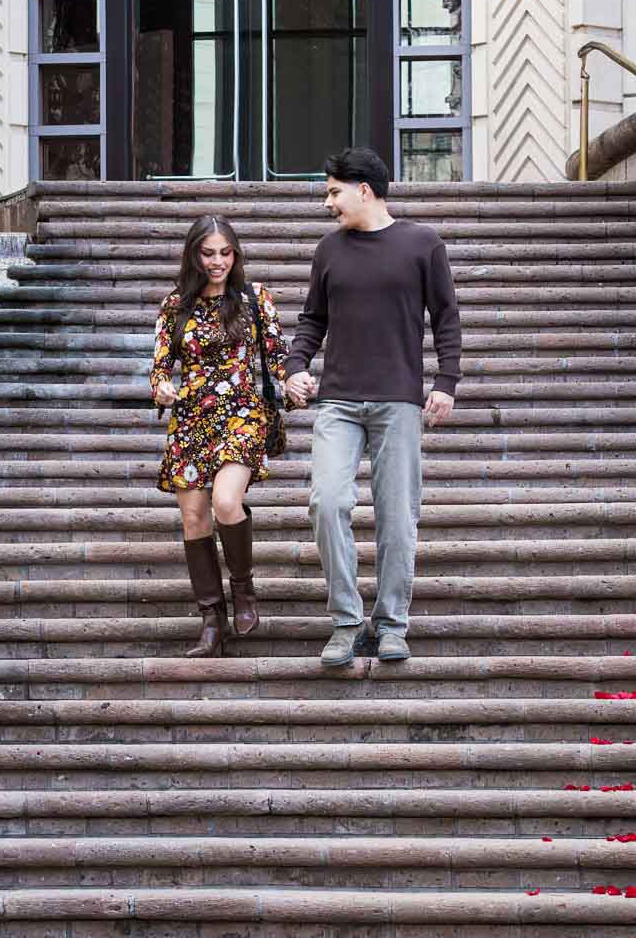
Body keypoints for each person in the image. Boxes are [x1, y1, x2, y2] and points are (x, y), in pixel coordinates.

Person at [284, 145, 461, 667]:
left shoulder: (422, 244)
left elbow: (446, 318)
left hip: (398, 402)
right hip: (338, 401)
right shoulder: (329, 251)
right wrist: (296, 366)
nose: (328, 204)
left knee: (397, 517)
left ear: (364, 189)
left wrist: (446, 380)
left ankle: (389, 624)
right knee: (328, 502)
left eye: (334, 192)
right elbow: (312, 319)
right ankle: (345, 621)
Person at [149, 216, 288, 658]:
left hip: (242, 413)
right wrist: (161, 387)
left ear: (236, 254)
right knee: (194, 518)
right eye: (209, 253)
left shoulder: (254, 297)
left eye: (225, 253)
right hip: (191, 417)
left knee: (227, 501)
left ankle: (243, 590)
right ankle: (212, 620)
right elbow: (158, 366)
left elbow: (278, 357)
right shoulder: (176, 305)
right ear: (194, 254)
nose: (217, 262)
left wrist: (295, 381)